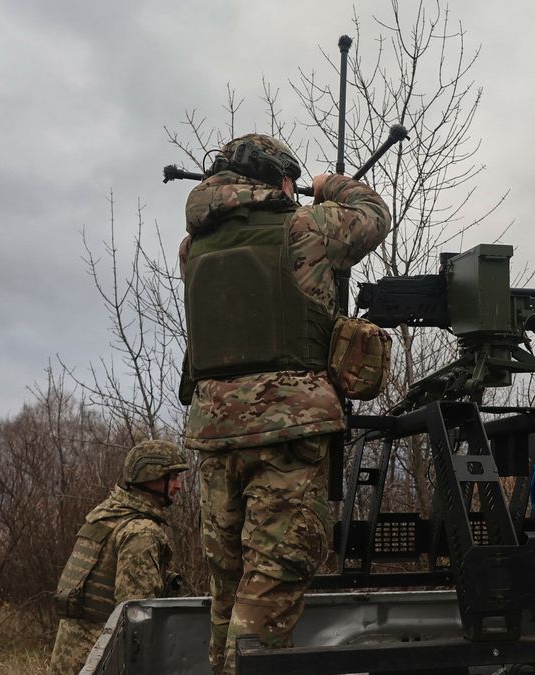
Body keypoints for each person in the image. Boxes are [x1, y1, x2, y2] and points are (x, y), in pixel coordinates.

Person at [180, 133, 391, 674]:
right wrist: (327, 185)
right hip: (288, 432)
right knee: (271, 586)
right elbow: (373, 212)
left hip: (213, 433)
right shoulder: (306, 228)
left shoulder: (193, 247)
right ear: (277, 179)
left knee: (227, 589)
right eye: (291, 183)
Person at [47, 439, 187, 675]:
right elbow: (136, 618)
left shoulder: (106, 515)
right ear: (152, 477)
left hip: (73, 656)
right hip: (103, 660)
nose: (179, 486)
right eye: (173, 477)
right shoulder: (141, 532)